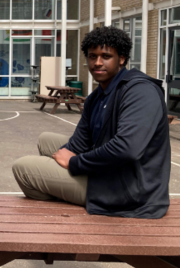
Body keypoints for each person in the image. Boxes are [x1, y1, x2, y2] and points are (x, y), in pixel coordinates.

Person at [12, 26, 170, 219]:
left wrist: (74, 163)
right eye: (92, 56)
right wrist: (65, 157)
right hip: (109, 172)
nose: (97, 62)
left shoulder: (140, 91)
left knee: (24, 168)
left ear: (121, 59)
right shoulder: (97, 96)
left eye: (106, 56)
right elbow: (79, 142)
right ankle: (71, 192)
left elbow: (128, 148)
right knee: (46, 140)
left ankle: (79, 206)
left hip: (130, 191)